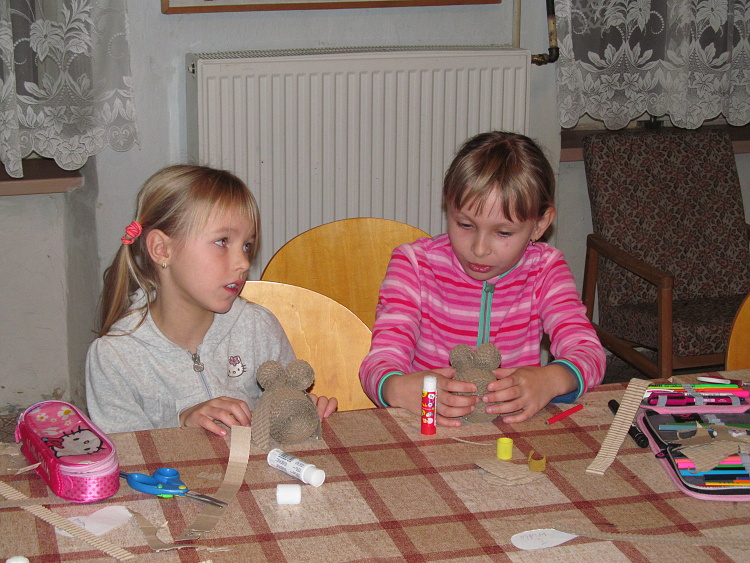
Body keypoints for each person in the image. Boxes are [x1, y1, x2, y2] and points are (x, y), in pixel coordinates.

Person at [359, 131, 605, 426]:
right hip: (429, 427)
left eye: (503, 232)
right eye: (465, 224)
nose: (479, 249)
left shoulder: (546, 270)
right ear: (448, 205)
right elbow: (379, 362)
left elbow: (588, 351)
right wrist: (395, 387)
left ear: (540, 225)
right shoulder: (414, 265)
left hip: (515, 430)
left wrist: (552, 379)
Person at [86, 165, 337, 435]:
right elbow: (126, 454)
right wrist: (181, 423)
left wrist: (300, 412)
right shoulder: (114, 358)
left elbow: (281, 412)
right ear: (162, 249)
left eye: (247, 246)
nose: (243, 263)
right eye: (222, 242)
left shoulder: (258, 328)